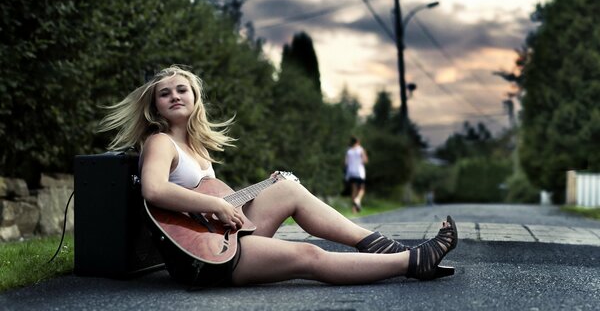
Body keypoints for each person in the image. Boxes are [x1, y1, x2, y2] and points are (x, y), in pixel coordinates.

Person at [98, 65, 458, 287]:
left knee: (286, 187)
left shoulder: (198, 149)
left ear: (195, 99)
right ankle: (412, 262)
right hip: (202, 262)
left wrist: (261, 190)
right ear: (155, 105)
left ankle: (382, 247)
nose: (174, 96)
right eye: (165, 93)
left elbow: (216, 206)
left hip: (220, 239)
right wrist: (215, 204)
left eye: (182, 90)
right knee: (307, 256)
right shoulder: (160, 142)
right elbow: (155, 190)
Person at [345, 136, 368, 213]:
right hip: (359, 172)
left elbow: (346, 163)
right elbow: (365, 160)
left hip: (351, 172)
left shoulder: (349, 151)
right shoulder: (361, 149)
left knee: (354, 190)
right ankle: (358, 199)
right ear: (358, 142)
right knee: (362, 189)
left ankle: (354, 209)